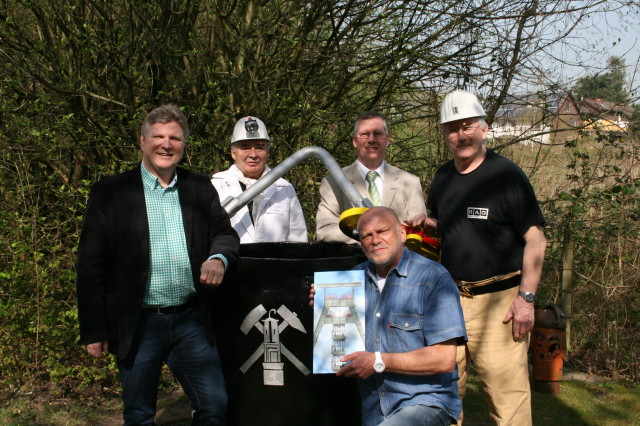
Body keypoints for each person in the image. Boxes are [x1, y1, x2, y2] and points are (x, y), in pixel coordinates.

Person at [76, 104, 240, 425]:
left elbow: (224, 234)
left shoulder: (198, 187)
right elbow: (90, 264)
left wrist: (218, 257)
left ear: (183, 145)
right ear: (142, 141)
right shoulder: (111, 192)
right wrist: (94, 328)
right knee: (139, 415)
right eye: (159, 136)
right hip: (138, 323)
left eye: (175, 138)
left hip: (190, 320)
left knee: (214, 405)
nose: (167, 144)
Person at [409, 90, 547, 425]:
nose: (461, 135)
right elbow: (452, 229)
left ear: (484, 129)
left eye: (467, 125)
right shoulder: (442, 178)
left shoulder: (506, 176)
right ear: (444, 135)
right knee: (443, 390)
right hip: (449, 299)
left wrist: (526, 299)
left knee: (506, 397)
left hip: (499, 303)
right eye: (452, 128)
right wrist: (430, 226)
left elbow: (536, 239)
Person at [311, 207, 467, 426]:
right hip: (374, 410)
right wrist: (323, 306)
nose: (375, 240)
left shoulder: (433, 277)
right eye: (366, 235)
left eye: (382, 231)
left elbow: (444, 359)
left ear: (402, 234)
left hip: (426, 401)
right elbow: (339, 345)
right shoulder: (351, 281)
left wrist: (377, 361)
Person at [316, 111, 426, 243]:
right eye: (364, 134)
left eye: (378, 133)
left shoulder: (410, 182)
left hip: (399, 262)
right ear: (355, 141)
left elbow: (418, 233)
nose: (371, 140)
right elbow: (324, 231)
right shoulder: (332, 182)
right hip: (353, 262)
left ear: (387, 140)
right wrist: (366, 235)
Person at [211, 116, 307, 243]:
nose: (253, 154)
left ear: (268, 152)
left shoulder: (285, 188)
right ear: (233, 152)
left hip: (273, 263)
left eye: (259, 147)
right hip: (231, 262)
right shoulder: (215, 186)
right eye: (245, 147)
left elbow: (298, 241)